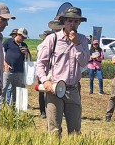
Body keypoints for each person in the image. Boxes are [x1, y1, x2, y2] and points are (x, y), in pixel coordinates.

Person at [35, 7, 90, 135]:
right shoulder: (52, 39)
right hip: (55, 89)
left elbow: (84, 63)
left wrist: (77, 45)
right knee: (54, 131)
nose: (73, 24)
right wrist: (45, 81)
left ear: (80, 23)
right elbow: (40, 63)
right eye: (70, 21)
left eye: (76, 21)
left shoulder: (82, 40)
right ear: (64, 22)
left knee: (75, 132)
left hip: (73, 89)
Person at [2, 26, 31, 106]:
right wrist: (5, 64)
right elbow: (0, 53)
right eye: (22, 37)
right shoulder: (8, 42)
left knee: (16, 92)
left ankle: (13, 109)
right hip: (8, 70)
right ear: (18, 34)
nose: (23, 39)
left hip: (19, 72)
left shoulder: (24, 45)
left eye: (25, 38)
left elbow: (29, 59)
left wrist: (26, 53)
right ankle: (0, 108)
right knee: (3, 89)